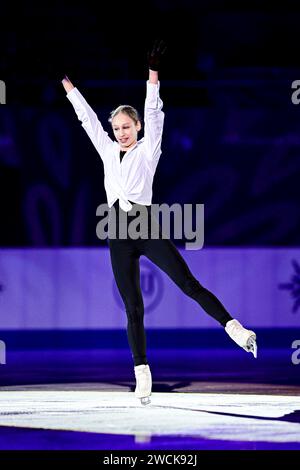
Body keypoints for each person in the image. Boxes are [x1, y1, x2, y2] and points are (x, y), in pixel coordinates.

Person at [62, 40, 257, 406]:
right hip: (117, 233)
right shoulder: (107, 149)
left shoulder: (149, 147)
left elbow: (154, 111)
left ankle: (235, 328)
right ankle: (142, 373)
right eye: (117, 128)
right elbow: (86, 117)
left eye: (126, 126)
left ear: (136, 127)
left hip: (145, 226)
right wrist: (66, 83)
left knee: (187, 283)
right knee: (132, 307)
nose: (121, 132)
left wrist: (153, 73)